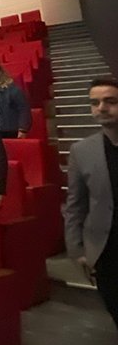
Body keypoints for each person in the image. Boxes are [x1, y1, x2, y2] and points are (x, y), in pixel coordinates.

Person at [64, 78, 118, 330]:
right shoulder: (81, 150)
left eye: (110, 101)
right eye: (95, 103)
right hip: (107, 250)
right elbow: (75, 204)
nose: (101, 108)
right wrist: (77, 249)